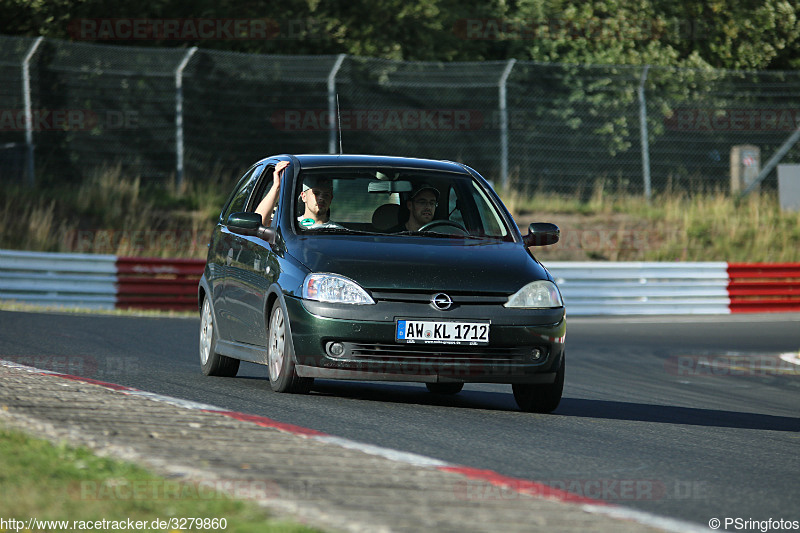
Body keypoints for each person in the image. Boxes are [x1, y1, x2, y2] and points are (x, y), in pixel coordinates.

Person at [254, 161, 340, 229]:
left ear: (331, 199)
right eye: (316, 193)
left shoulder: (339, 232)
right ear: (303, 196)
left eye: (326, 195)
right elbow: (258, 225)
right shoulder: (287, 228)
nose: (321, 198)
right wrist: (276, 187)